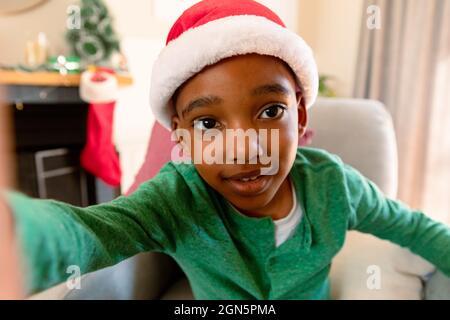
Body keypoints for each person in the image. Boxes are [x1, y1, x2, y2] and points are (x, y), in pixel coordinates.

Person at [1, 0, 449, 299]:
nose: (244, 148)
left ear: (302, 115)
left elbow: (414, 227)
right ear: (182, 136)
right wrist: (19, 234)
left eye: (270, 111)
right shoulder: (177, 198)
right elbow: (91, 231)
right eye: (209, 123)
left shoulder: (335, 186)